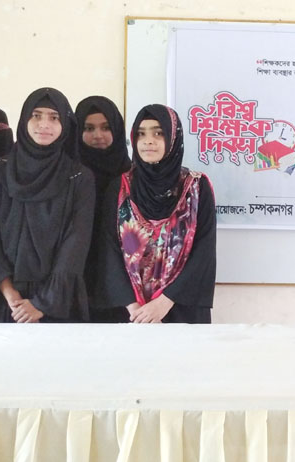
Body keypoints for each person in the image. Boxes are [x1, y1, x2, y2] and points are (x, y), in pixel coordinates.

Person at [0, 87, 95, 323]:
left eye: (54, 117)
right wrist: (10, 294)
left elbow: (76, 243)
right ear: (24, 118)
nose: (44, 124)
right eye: (36, 115)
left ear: (65, 124)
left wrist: (42, 304)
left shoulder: (79, 177)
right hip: (5, 300)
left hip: (59, 302)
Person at [91, 104, 216, 323]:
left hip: (180, 308)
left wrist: (164, 303)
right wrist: (134, 308)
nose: (148, 141)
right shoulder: (119, 187)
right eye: (141, 134)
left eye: (158, 133)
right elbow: (108, 250)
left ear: (173, 137)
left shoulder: (197, 187)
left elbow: (203, 252)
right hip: (130, 312)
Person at [75, 96, 133, 322]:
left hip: (124, 289)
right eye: (89, 128)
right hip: (76, 282)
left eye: (106, 127)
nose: (98, 135)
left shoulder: (133, 178)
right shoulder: (69, 176)